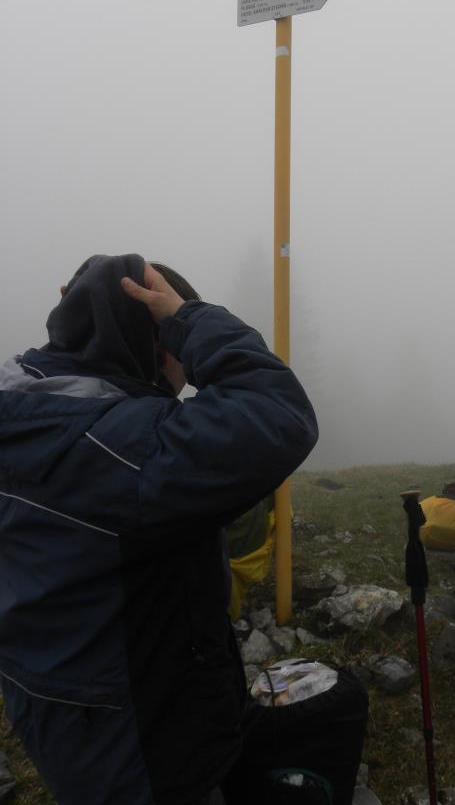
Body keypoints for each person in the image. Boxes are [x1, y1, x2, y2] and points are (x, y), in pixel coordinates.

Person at [0, 254, 325, 804]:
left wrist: (91, 310)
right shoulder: (127, 451)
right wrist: (189, 318)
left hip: (61, 714)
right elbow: (280, 414)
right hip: (142, 743)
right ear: (162, 345)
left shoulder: (23, 412)